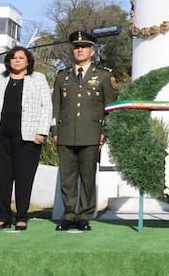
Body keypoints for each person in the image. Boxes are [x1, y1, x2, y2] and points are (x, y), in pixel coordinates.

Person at [0, 46, 52, 231]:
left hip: (28, 137)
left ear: (28, 61)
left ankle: (21, 216)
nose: (17, 60)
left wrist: (42, 131)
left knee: (24, 178)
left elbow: (46, 107)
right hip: (1, 136)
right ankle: (2, 216)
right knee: (2, 178)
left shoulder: (38, 79)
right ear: (8, 61)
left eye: (21, 57)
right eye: (13, 57)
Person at [52, 30, 119, 231]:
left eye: (83, 47)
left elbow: (111, 108)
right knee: (67, 177)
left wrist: (104, 132)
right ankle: (69, 213)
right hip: (65, 133)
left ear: (92, 50)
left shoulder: (104, 76)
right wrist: (54, 129)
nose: (79, 50)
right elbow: (55, 105)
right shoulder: (62, 76)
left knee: (88, 176)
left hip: (91, 133)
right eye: (76, 47)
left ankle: (84, 215)